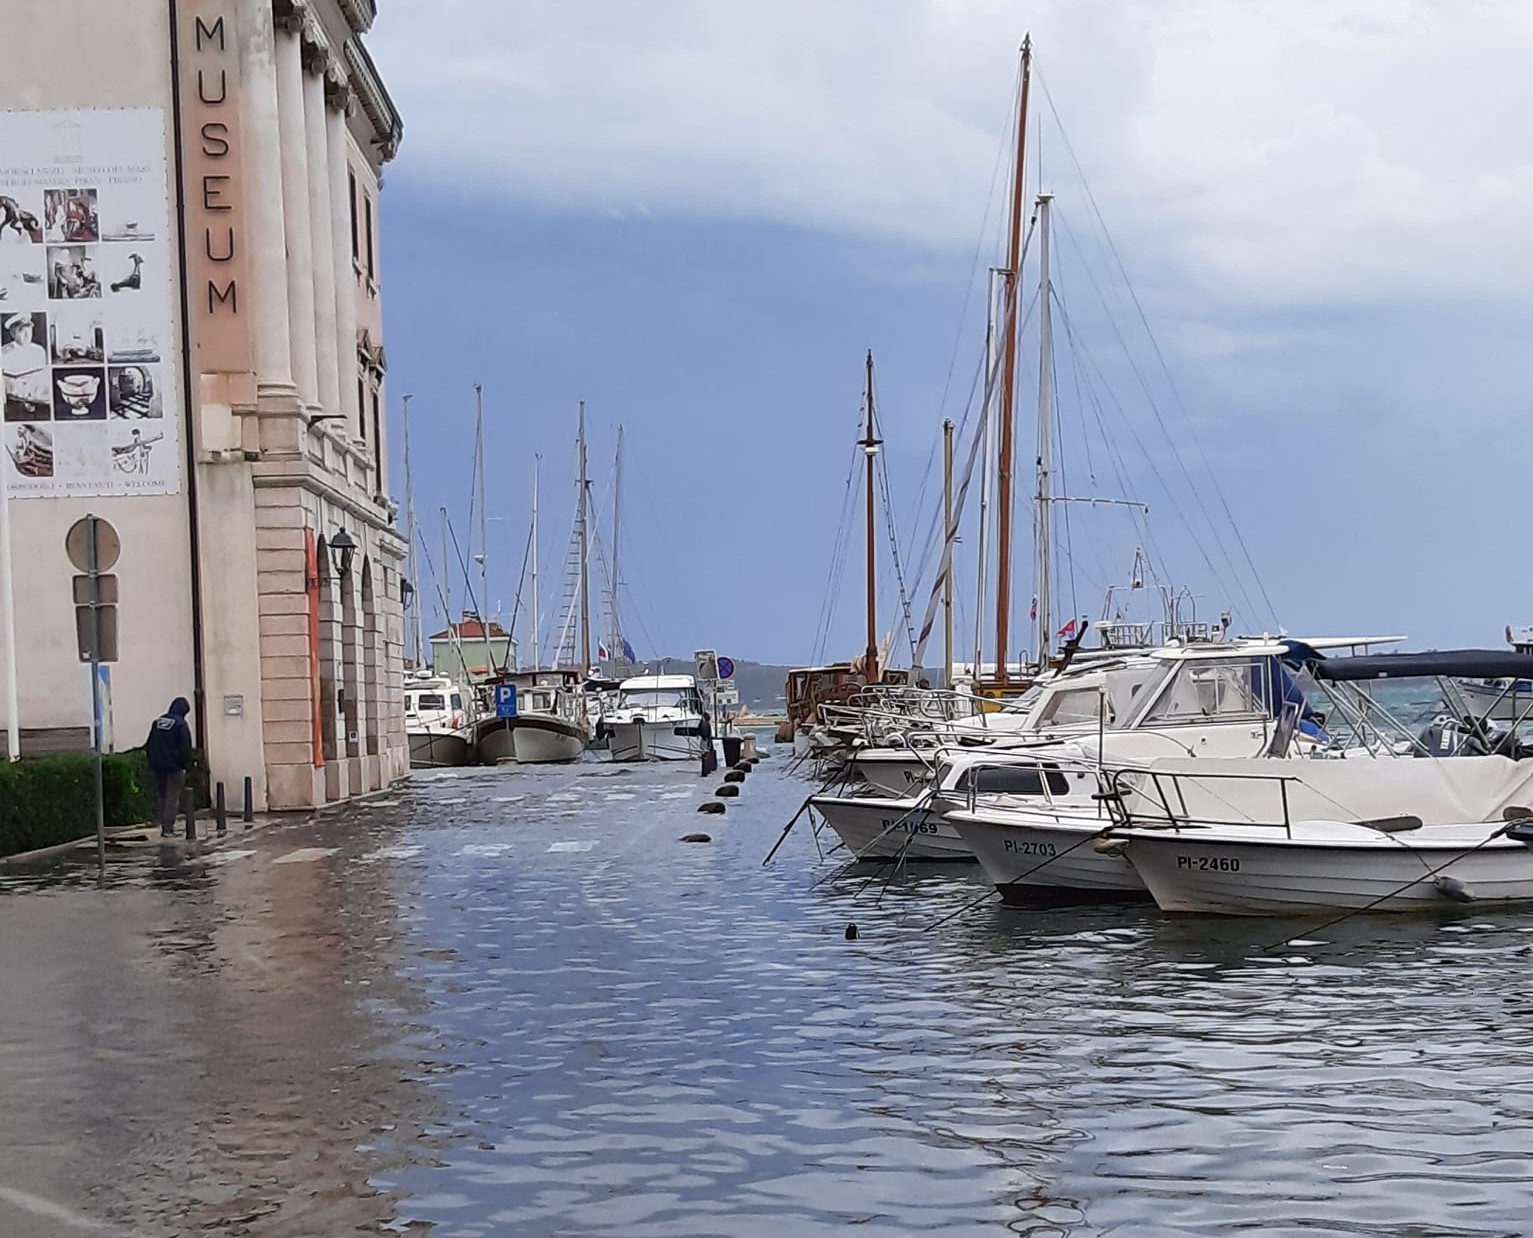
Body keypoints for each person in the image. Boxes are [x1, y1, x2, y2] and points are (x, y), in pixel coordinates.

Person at [145, 697, 192, 838]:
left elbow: (150, 744)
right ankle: (168, 829)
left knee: (162, 797)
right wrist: (185, 764)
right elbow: (185, 748)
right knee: (172, 798)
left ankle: (164, 825)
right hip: (174, 768)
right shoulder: (180, 725)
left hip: (158, 767)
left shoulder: (158, 722)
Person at [698, 710, 717, 778]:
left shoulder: (703, 723)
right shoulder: (706, 723)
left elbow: (702, 731)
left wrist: (704, 737)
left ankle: (705, 769)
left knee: (704, 750)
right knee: (706, 750)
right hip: (707, 739)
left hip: (704, 739)